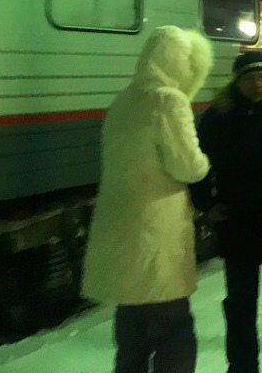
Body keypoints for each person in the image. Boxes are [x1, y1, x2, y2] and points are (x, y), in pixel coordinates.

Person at [82, 26, 212, 373]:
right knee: (175, 333)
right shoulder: (169, 100)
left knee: (132, 336)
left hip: (122, 233)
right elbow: (189, 166)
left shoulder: (123, 101)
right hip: (155, 233)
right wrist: (206, 162)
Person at [191, 51, 262, 373]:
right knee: (240, 305)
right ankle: (242, 367)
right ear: (237, 81)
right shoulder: (219, 117)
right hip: (238, 226)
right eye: (251, 78)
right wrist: (207, 205)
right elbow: (199, 165)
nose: (259, 84)